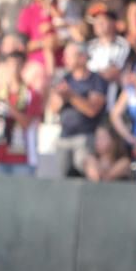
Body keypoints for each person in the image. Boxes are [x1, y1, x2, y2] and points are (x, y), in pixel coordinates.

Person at [50, 42, 107, 177]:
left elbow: (92, 110)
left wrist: (71, 96)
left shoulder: (95, 80)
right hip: (64, 137)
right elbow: (54, 108)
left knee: (87, 168)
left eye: (69, 56)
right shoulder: (64, 79)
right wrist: (61, 97)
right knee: (62, 176)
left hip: (85, 137)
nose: (65, 60)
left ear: (82, 57)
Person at [0, 51, 42, 176]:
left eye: (17, 65)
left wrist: (11, 109)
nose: (14, 69)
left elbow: (28, 123)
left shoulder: (31, 94)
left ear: (23, 67)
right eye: (11, 65)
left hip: (23, 156)